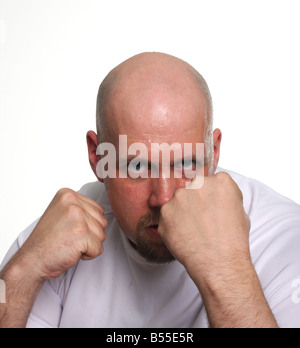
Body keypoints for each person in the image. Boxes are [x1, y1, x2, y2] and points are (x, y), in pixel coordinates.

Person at [0, 52, 300, 328]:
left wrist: (227, 273)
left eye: (185, 163)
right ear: (98, 157)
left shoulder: (284, 239)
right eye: (138, 167)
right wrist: (19, 274)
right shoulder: (61, 234)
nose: (165, 198)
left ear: (214, 152)